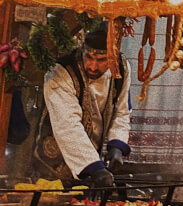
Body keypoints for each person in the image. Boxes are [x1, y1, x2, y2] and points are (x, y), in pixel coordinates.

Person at [33, 23, 131, 188]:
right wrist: (94, 167)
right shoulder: (60, 72)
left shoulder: (121, 68)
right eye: (89, 57)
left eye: (101, 60)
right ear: (81, 50)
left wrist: (117, 145)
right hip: (51, 167)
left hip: (92, 161)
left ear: (113, 56)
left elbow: (122, 111)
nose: (93, 66)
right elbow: (67, 125)